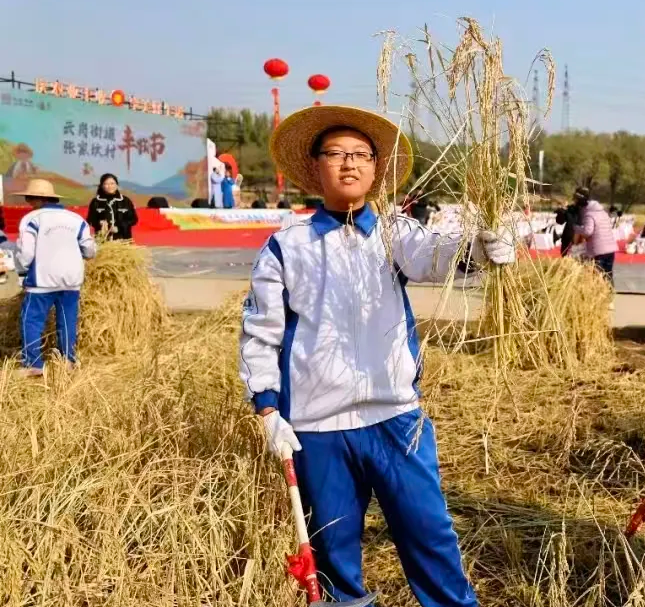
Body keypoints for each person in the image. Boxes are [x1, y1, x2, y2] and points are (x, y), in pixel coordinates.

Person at [240, 104, 515, 607]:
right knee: (335, 555)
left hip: (395, 419)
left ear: (375, 168)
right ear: (315, 166)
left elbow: (435, 255)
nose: (349, 164)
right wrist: (267, 406)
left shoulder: (394, 233)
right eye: (337, 154)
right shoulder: (287, 246)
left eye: (361, 155)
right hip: (318, 429)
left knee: (430, 536)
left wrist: (476, 248)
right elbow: (261, 333)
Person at [12, 179, 96, 377]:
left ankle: (33, 364)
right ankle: (68, 361)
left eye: (29, 198)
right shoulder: (76, 219)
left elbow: (25, 253)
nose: (28, 202)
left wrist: (23, 272)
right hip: (71, 279)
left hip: (42, 279)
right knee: (67, 319)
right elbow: (90, 250)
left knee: (31, 320)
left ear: (35, 199)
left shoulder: (32, 219)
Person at [573, 187, 618, 282]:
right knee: (608, 275)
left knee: (598, 276)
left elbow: (587, 232)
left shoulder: (589, 215)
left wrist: (576, 228)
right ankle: (609, 293)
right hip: (610, 249)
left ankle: (602, 294)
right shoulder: (603, 212)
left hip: (599, 250)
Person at [87, 173, 138, 240]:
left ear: (117, 185)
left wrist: (119, 227)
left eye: (112, 183)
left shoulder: (125, 201)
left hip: (123, 240)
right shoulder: (96, 201)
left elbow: (133, 219)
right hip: (103, 241)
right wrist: (99, 223)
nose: (110, 186)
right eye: (106, 184)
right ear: (102, 186)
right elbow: (90, 220)